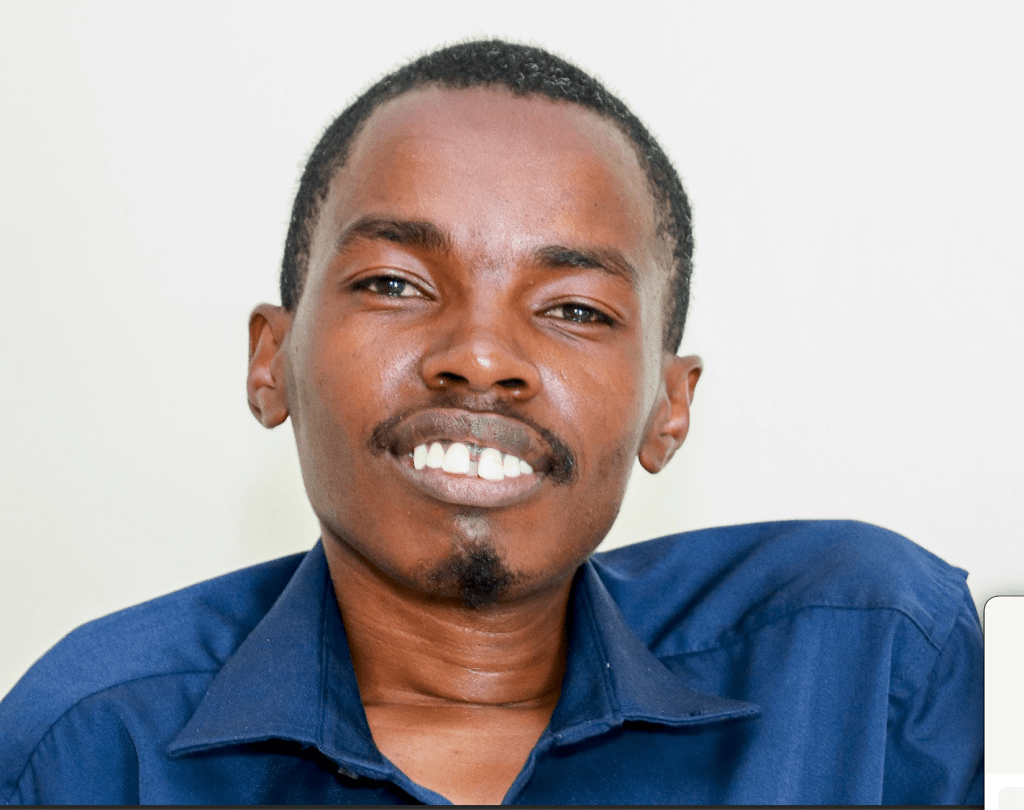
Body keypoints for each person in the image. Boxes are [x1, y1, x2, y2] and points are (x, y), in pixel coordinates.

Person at [0, 40, 982, 805]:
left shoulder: (870, 659)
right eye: (393, 283)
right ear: (272, 362)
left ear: (667, 408)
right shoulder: (93, 745)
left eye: (575, 310)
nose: (479, 355)